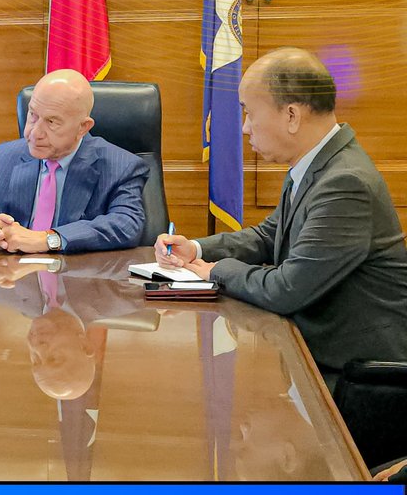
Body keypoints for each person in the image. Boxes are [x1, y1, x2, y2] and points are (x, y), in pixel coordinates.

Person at [155, 48, 407, 391]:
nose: (245, 128)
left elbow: (286, 289)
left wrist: (215, 271)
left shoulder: (345, 184)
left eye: (249, 113)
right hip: (320, 359)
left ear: (291, 115)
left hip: (360, 382)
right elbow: (269, 235)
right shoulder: (317, 164)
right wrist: (196, 248)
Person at [0, 69, 148, 254]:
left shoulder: (121, 166)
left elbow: (126, 224)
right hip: (16, 277)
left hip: (80, 277)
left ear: (82, 127)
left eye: (52, 122)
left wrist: (49, 239)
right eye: (32, 115)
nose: (35, 133)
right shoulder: (4, 158)